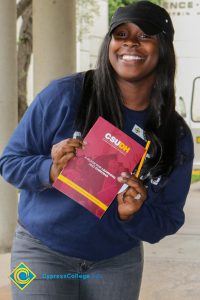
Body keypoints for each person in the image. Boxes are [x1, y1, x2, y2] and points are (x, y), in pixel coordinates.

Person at [0, 1, 194, 299]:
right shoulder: (65, 95)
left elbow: (167, 219)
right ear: (109, 45)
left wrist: (134, 215)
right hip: (40, 253)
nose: (130, 42)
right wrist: (49, 169)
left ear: (163, 49)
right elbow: (9, 163)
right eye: (121, 34)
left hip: (116, 262)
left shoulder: (174, 134)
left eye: (145, 36)